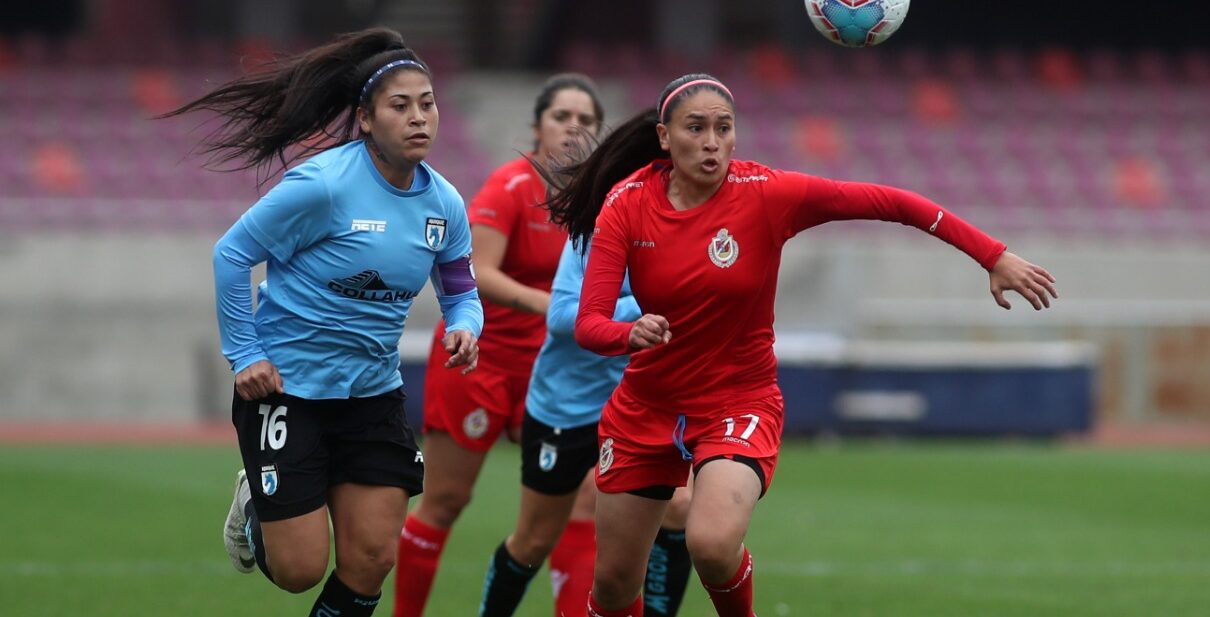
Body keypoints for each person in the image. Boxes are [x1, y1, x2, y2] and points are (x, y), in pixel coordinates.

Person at [545, 73, 1059, 617]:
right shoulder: (626, 204)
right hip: (645, 406)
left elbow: (893, 203)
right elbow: (588, 325)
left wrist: (992, 255)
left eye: (724, 127)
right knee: (613, 585)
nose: (712, 141)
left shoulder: (767, 194)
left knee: (712, 544)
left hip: (736, 401)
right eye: (696, 128)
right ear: (665, 138)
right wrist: (631, 332)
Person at [164, 27, 483, 617]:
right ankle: (256, 503)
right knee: (300, 571)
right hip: (289, 389)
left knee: (371, 560)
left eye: (428, 103)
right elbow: (232, 256)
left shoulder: (446, 204)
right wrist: (246, 355)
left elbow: (461, 290)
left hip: (373, 394)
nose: (420, 118)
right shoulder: (324, 185)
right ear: (364, 119)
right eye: (400, 106)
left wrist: (467, 326)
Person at [393, 74, 605, 617]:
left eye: (586, 119)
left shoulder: (606, 202)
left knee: (580, 502)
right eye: (562, 116)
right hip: (479, 361)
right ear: (537, 127)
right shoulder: (510, 187)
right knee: (446, 500)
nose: (573, 127)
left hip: (550, 373)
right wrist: (553, 307)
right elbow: (475, 273)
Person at [478, 238, 694, 617]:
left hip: (639, 402)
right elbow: (561, 317)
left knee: (678, 506)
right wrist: (647, 304)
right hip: (564, 408)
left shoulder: (683, 234)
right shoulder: (592, 236)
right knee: (533, 540)